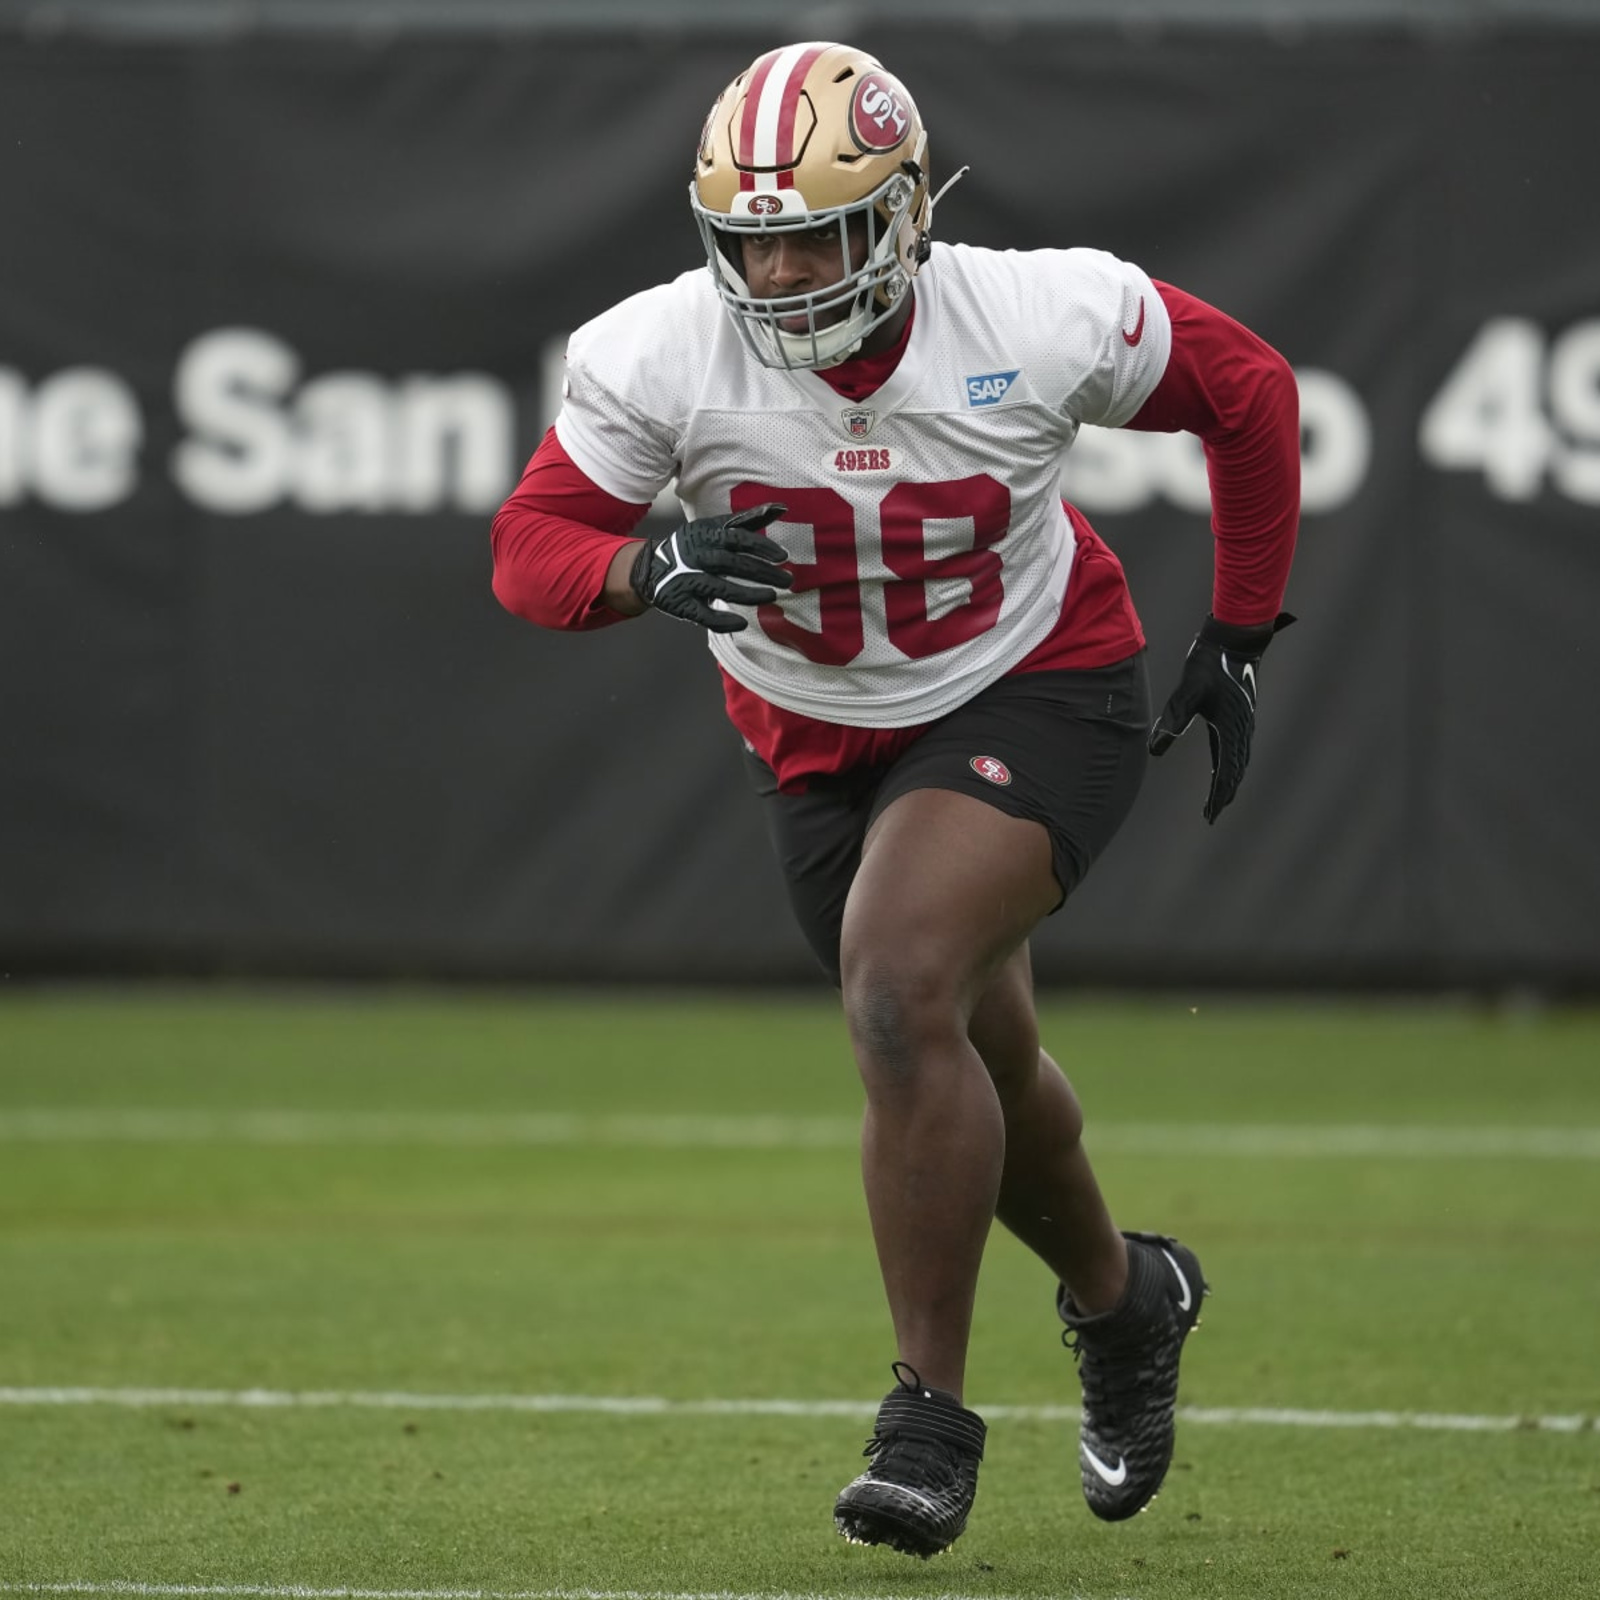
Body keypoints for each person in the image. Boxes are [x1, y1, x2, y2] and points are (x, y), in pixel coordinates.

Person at [491, 40, 1298, 1560]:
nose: (786, 271)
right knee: (969, 1053)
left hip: (1039, 687)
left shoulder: (1036, 313)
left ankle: (928, 1416)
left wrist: (1242, 630)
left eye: (821, 232)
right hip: (812, 741)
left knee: (895, 985)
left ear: (908, 212)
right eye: (755, 238)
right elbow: (530, 541)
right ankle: (1130, 1303)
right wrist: (632, 566)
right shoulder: (665, 350)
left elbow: (1246, 391)